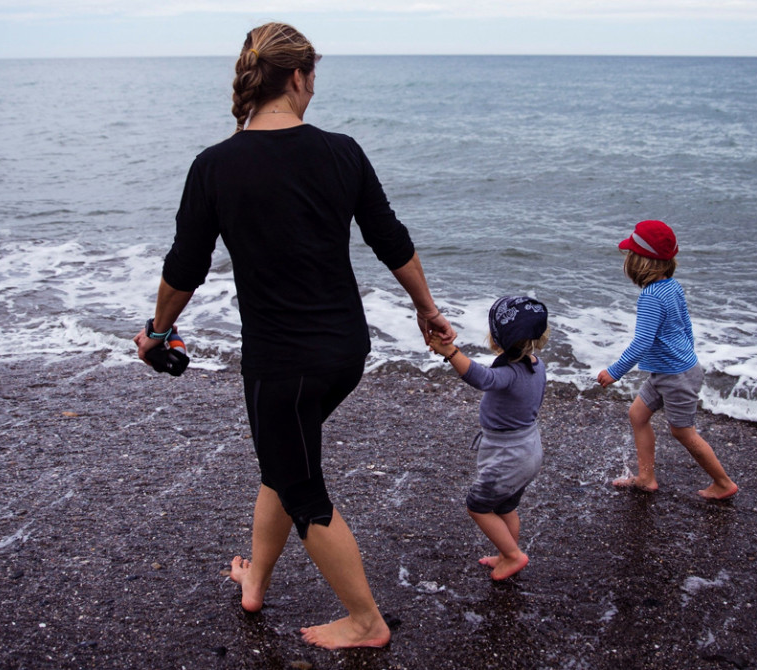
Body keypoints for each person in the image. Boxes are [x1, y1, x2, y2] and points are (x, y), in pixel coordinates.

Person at [133, 22, 455, 650]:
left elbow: (184, 267)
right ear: (299, 77)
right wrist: (427, 310)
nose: (314, 91)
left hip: (282, 364)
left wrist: (157, 331)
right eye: (314, 79)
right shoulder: (343, 150)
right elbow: (391, 239)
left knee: (300, 481)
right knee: (283, 460)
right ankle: (256, 581)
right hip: (345, 351)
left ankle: (367, 621)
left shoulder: (215, 165)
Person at [596, 220, 738, 500]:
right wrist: (685, 354)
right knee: (637, 415)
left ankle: (723, 483)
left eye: (630, 255)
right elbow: (686, 326)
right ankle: (646, 477)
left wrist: (615, 372)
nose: (627, 260)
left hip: (675, 375)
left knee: (683, 432)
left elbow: (642, 342)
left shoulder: (650, 297)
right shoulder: (672, 286)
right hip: (671, 370)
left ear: (641, 262)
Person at [429, 296, 549, 580]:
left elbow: (481, 378)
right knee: (506, 506)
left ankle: (512, 555)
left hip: (509, 455)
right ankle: (507, 552)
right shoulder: (538, 365)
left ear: (497, 339)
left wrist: (450, 352)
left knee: (478, 506)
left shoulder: (508, 374)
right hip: (529, 448)